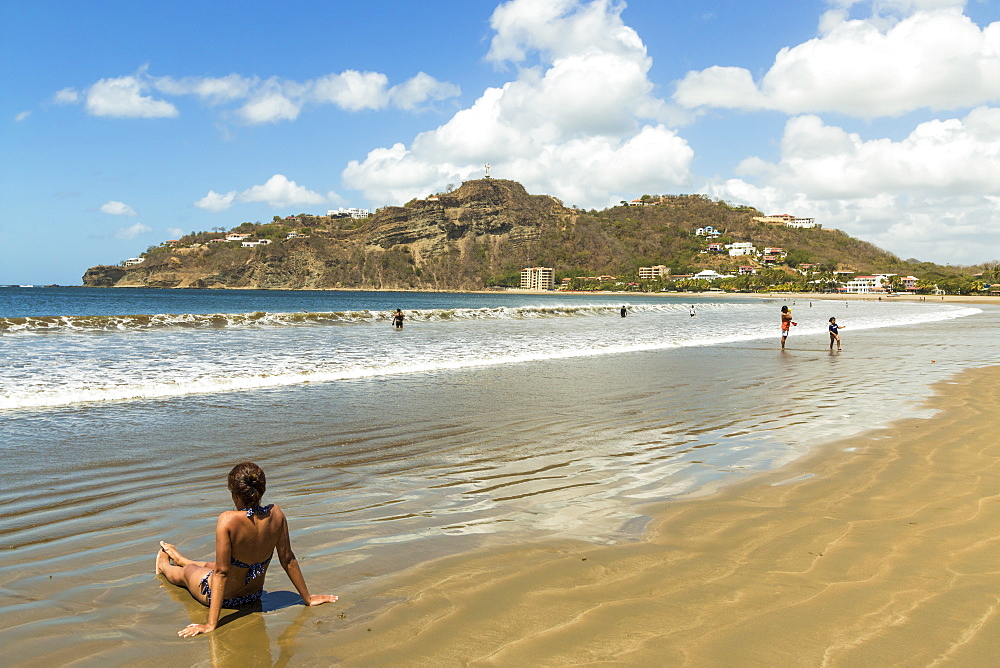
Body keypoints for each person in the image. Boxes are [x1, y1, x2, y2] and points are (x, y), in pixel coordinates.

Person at [156, 462, 337, 637]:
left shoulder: (228, 520)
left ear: (235, 494)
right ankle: (182, 559)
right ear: (261, 490)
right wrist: (308, 598)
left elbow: (221, 573)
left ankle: (165, 564)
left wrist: (211, 624)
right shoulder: (277, 514)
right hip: (253, 595)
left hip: (222, 598)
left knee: (188, 572)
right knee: (213, 564)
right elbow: (288, 560)